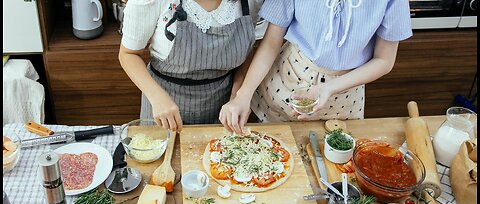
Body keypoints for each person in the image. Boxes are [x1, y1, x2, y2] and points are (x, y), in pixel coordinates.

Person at [219, 0, 413, 134]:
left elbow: (384, 60)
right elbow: (271, 43)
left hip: (345, 93)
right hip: (286, 81)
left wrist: (328, 88)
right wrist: (243, 95)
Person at [119, 0, 264, 132]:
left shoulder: (251, 2)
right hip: (163, 105)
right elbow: (128, 54)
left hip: (223, 108)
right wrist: (156, 96)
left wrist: (238, 94)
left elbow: (248, 49)